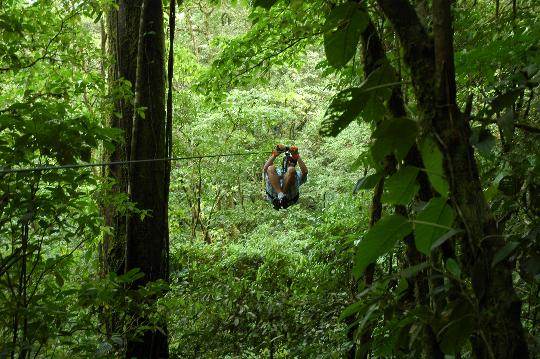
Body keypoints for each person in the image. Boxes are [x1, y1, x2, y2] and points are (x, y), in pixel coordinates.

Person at [263, 144, 308, 210]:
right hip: (273, 197)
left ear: (295, 164)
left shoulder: (297, 174)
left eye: (292, 161)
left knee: (291, 170)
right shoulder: (278, 171)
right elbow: (265, 168)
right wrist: (275, 154)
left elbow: (305, 172)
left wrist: (297, 156)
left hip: (289, 199)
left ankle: (282, 197)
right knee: (270, 168)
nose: (289, 162)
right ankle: (281, 195)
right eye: (287, 161)